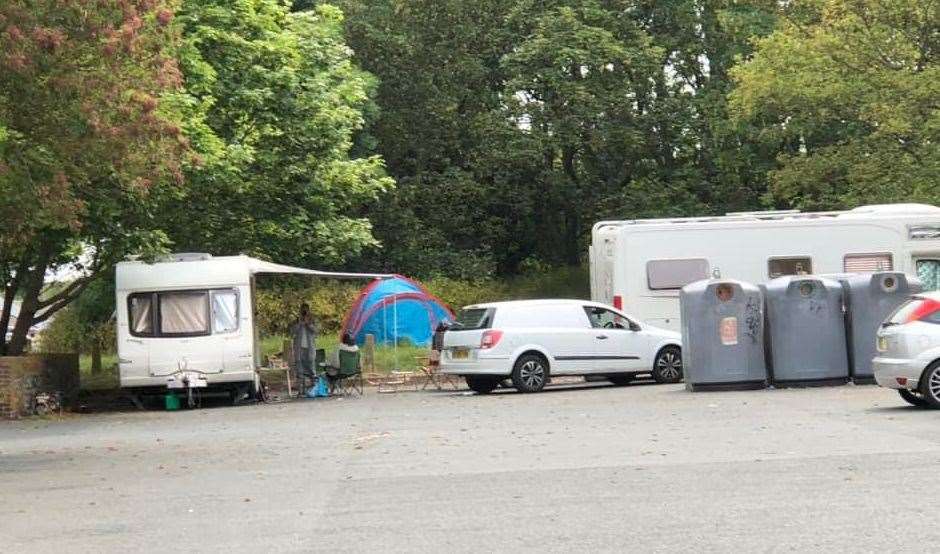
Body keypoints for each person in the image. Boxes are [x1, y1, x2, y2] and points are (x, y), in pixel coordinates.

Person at [290, 303, 318, 395]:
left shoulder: (312, 320)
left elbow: (316, 331)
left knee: (311, 369)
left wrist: (308, 324)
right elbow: (292, 331)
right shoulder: (297, 320)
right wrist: (300, 323)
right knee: (300, 369)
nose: (304, 312)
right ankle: (301, 390)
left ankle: (314, 389)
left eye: (306, 310)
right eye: (303, 310)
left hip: (310, 348)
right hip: (299, 348)